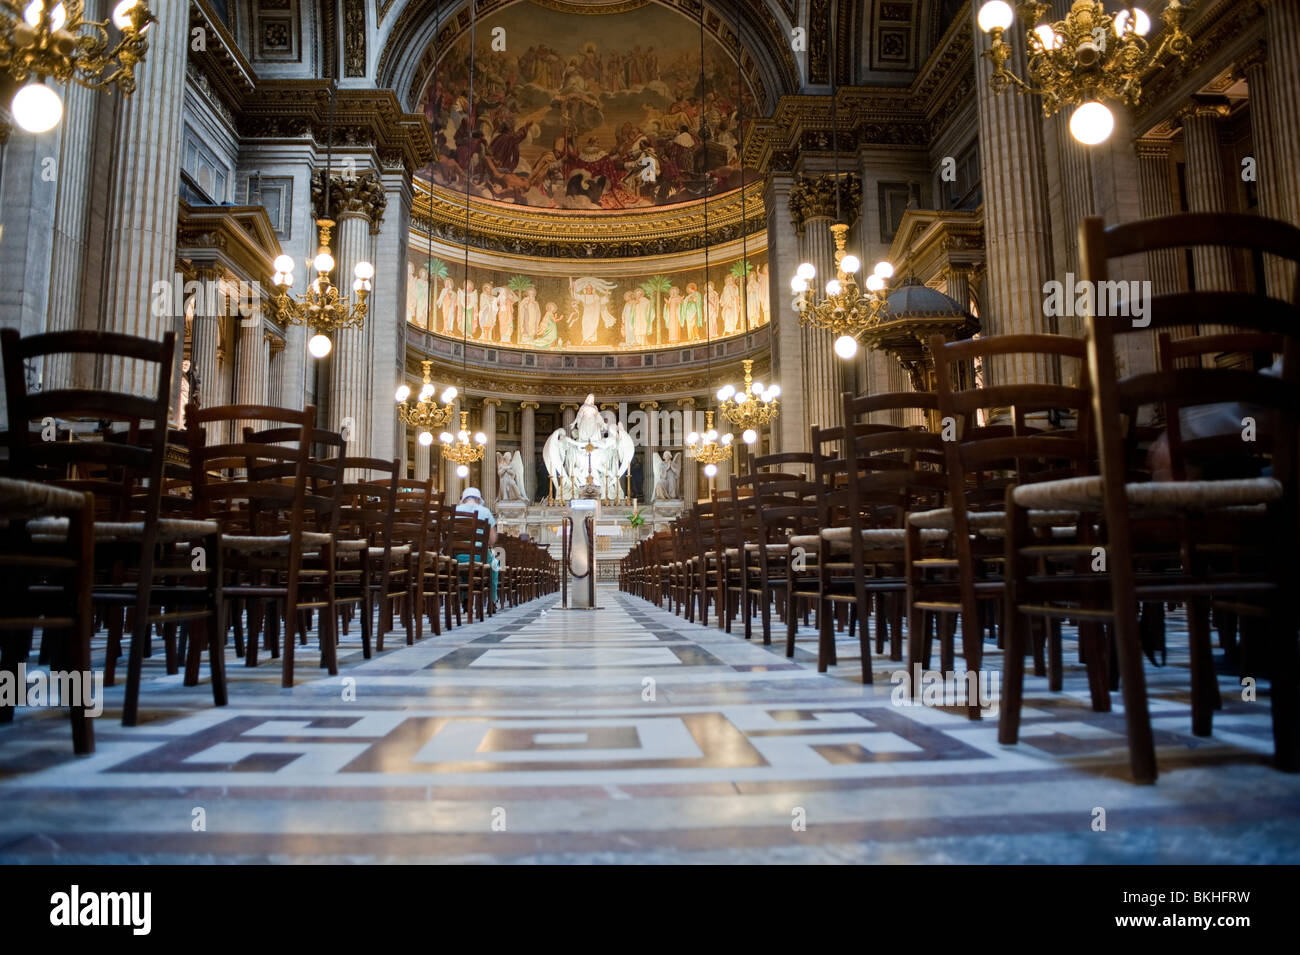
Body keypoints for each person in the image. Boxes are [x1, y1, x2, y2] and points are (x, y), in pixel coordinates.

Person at [455, 487, 498, 606]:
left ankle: (465, 598)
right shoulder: (485, 512)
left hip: (457, 558)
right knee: (495, 565)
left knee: (463, 564)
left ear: (463, 500)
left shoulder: (454, 511)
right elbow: (493, 539)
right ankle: (492, 599)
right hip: (479, 557)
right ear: (478, 500)